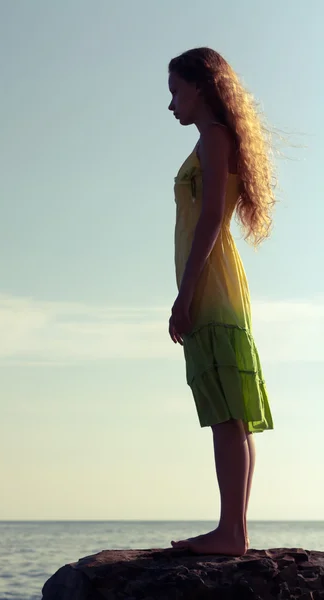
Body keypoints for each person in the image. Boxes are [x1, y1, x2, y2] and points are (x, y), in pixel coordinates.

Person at [167, 47, 275, 556]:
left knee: (227, 412)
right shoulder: (211, 140)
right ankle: (234, 529)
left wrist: (184, 295)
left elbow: (211, 217)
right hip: (215, 282)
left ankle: (231, 531)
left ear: (200, 87)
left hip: (211, 284)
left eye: (175, 92)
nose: (171, 105)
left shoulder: (213, 138)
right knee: (229, 411)